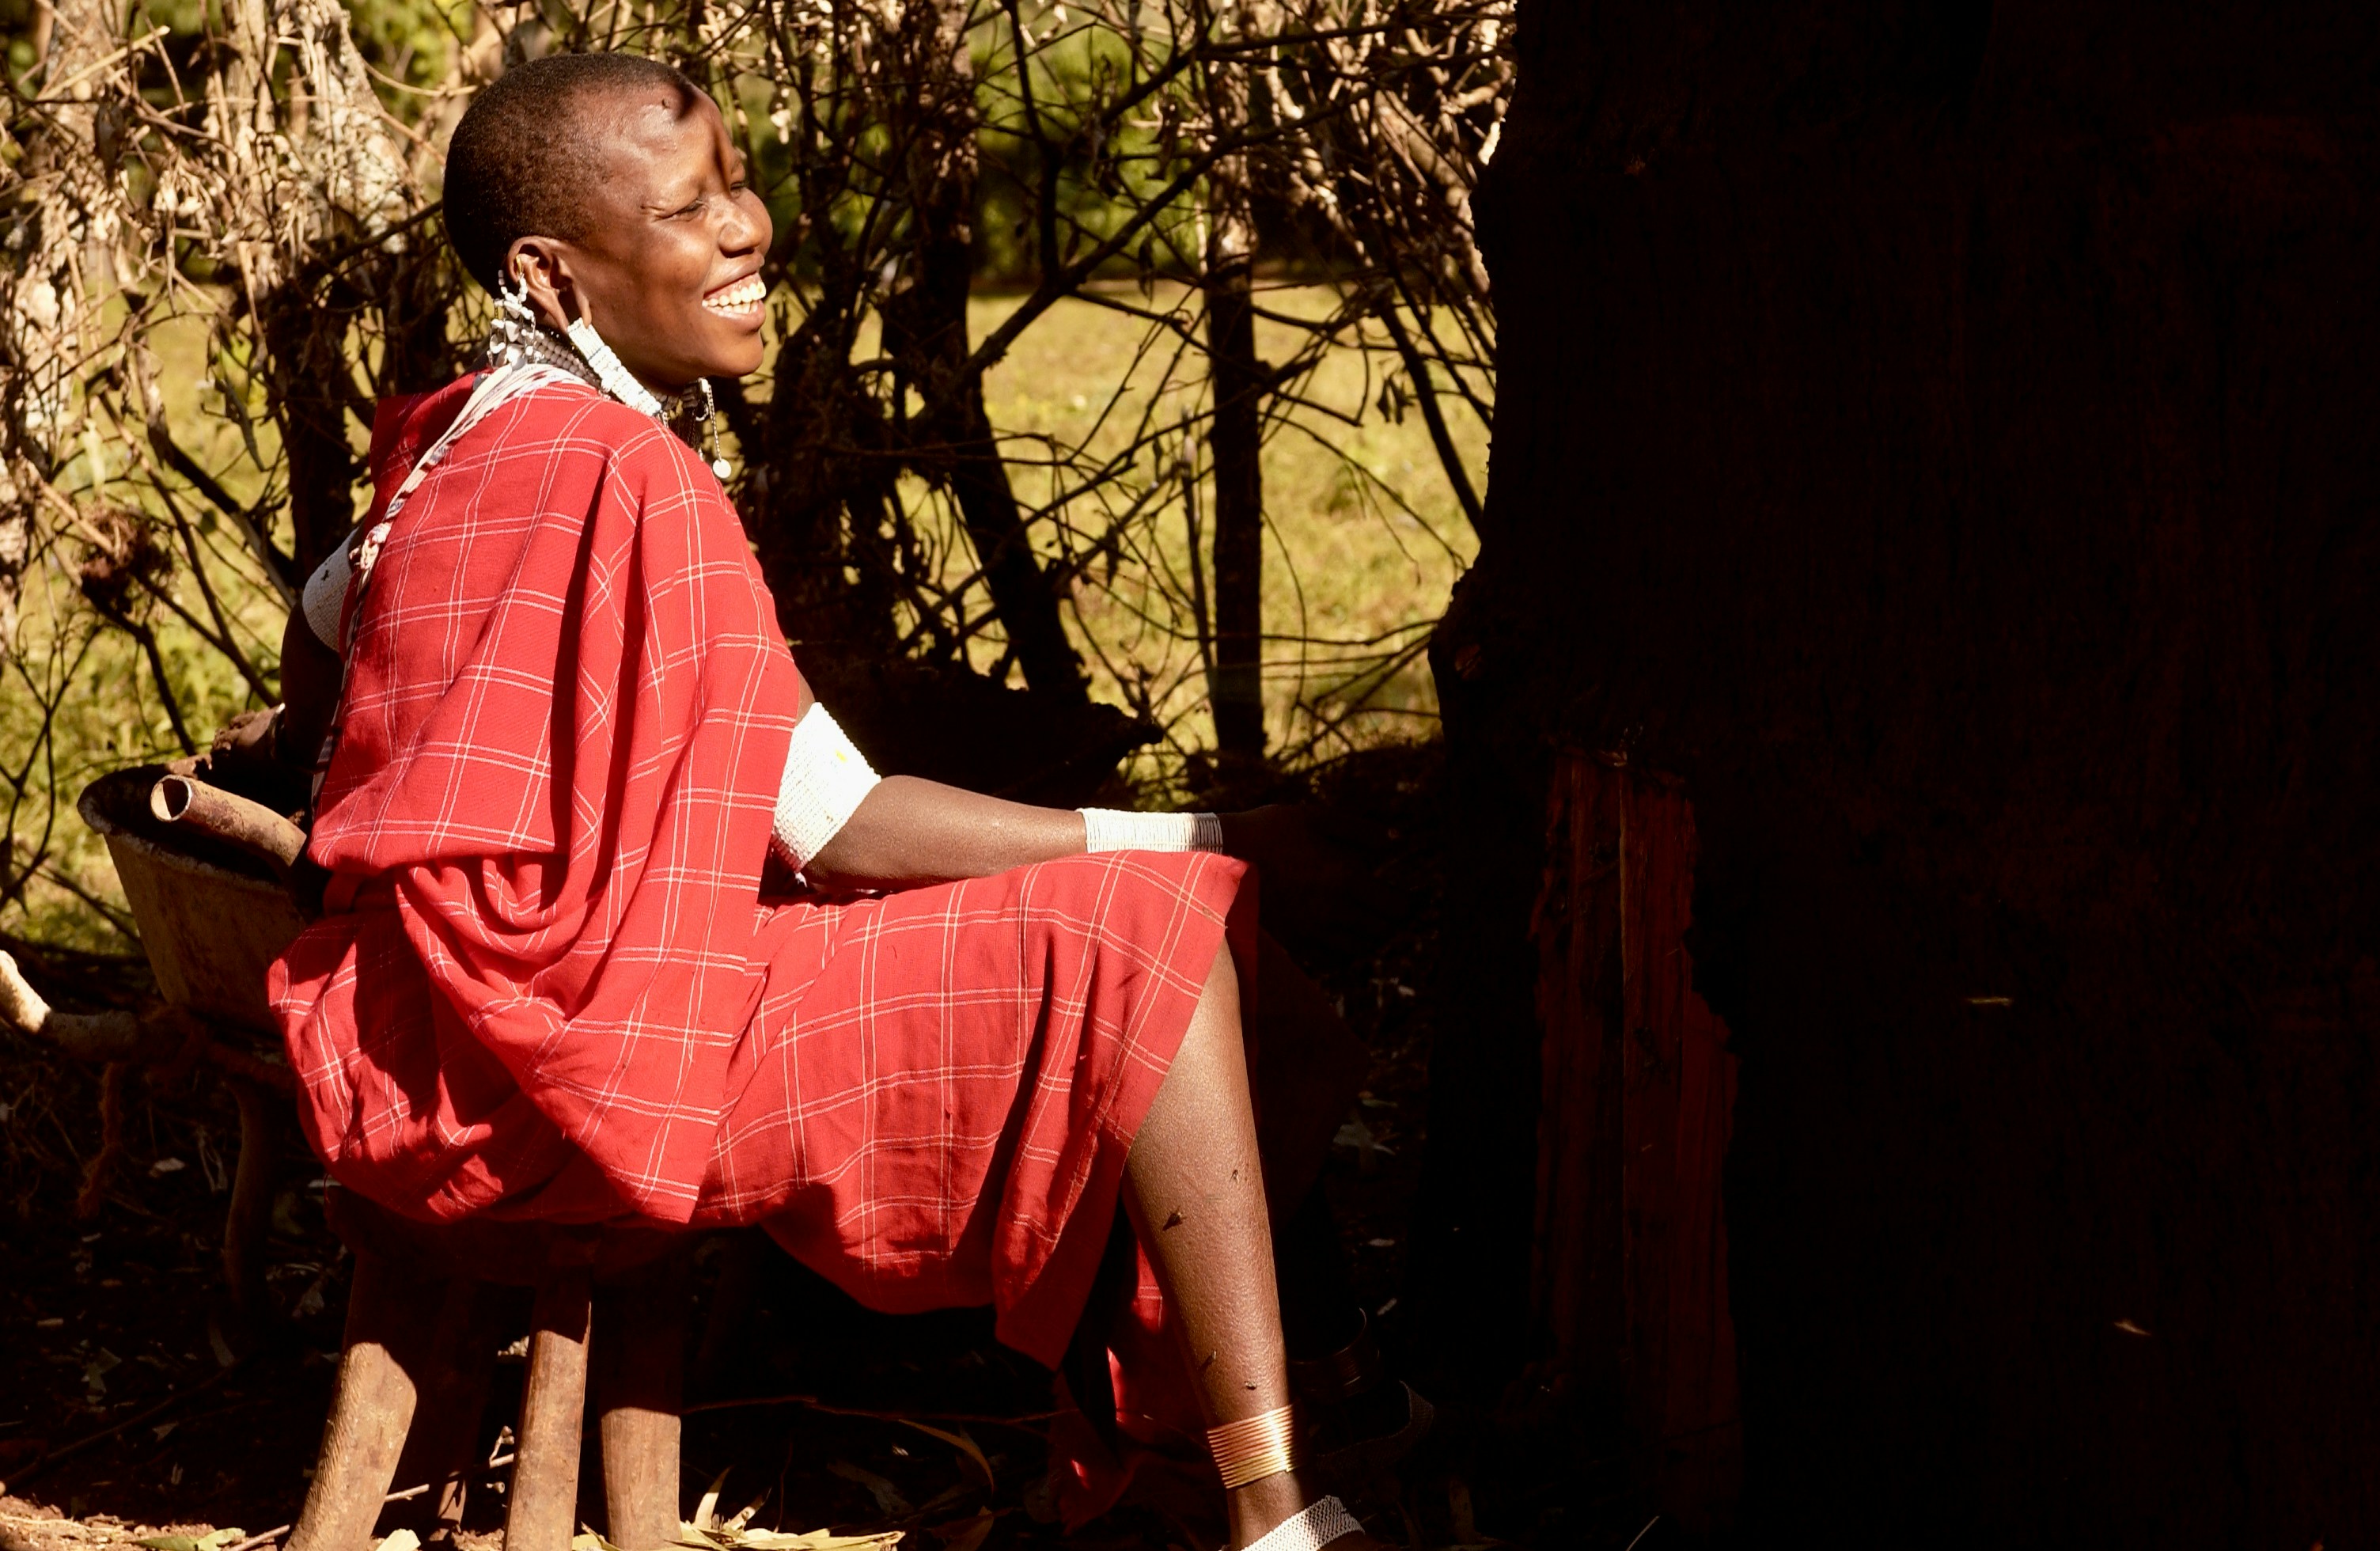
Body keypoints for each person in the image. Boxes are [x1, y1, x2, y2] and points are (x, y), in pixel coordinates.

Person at [256, 51, 1419, 1551]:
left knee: (1167, 953)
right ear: (552, 275)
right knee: (1157, 935)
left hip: (437, 1046)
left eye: (736, 182)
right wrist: (1208, 834)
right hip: (597, 1076)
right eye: (689, 206)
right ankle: (1275, 1510)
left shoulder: (451, 444)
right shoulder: (626, 476)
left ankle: (1267, 1416)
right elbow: (835, 827)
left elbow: (320, 626)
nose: (746, 228)